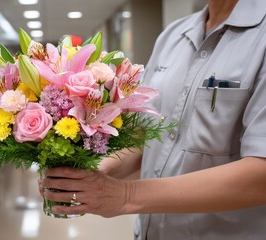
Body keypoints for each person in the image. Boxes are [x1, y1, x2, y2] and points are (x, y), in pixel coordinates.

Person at [40, 0, 266, 239]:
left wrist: (125, 196)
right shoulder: (173, 36)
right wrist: (97, 174)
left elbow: (260, 173)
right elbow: (149, 134)